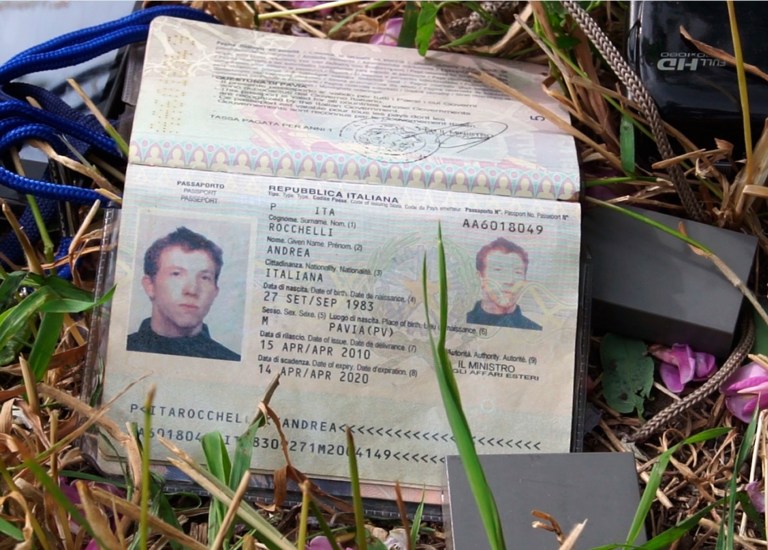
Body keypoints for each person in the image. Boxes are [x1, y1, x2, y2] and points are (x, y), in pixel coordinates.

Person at [127, 227, 241, 361]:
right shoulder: (117, 351)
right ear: (150, 285)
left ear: (215, 291)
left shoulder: (231, 361)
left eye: (205, 278)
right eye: (176, 274)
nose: (192, 290)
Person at [466, 238, 542, 330]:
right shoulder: (460, 324)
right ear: (479, 278)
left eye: (518, 272)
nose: (509, 281)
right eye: (498, 270)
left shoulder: (534, 331)